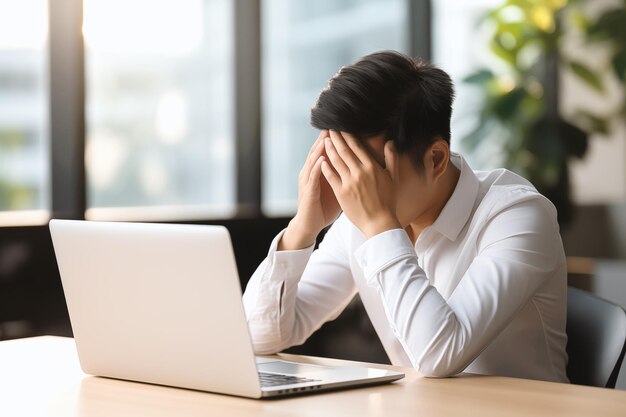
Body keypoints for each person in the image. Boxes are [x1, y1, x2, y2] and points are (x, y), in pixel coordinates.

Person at [242, 50, 568, 382]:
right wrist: (303, 227)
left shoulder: (518, 215)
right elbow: (259, 335)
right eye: (343, 161)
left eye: (368, 169)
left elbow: (439, 355)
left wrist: (380, 227)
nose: (356, 183)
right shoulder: (358, 223)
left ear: (436, 159)